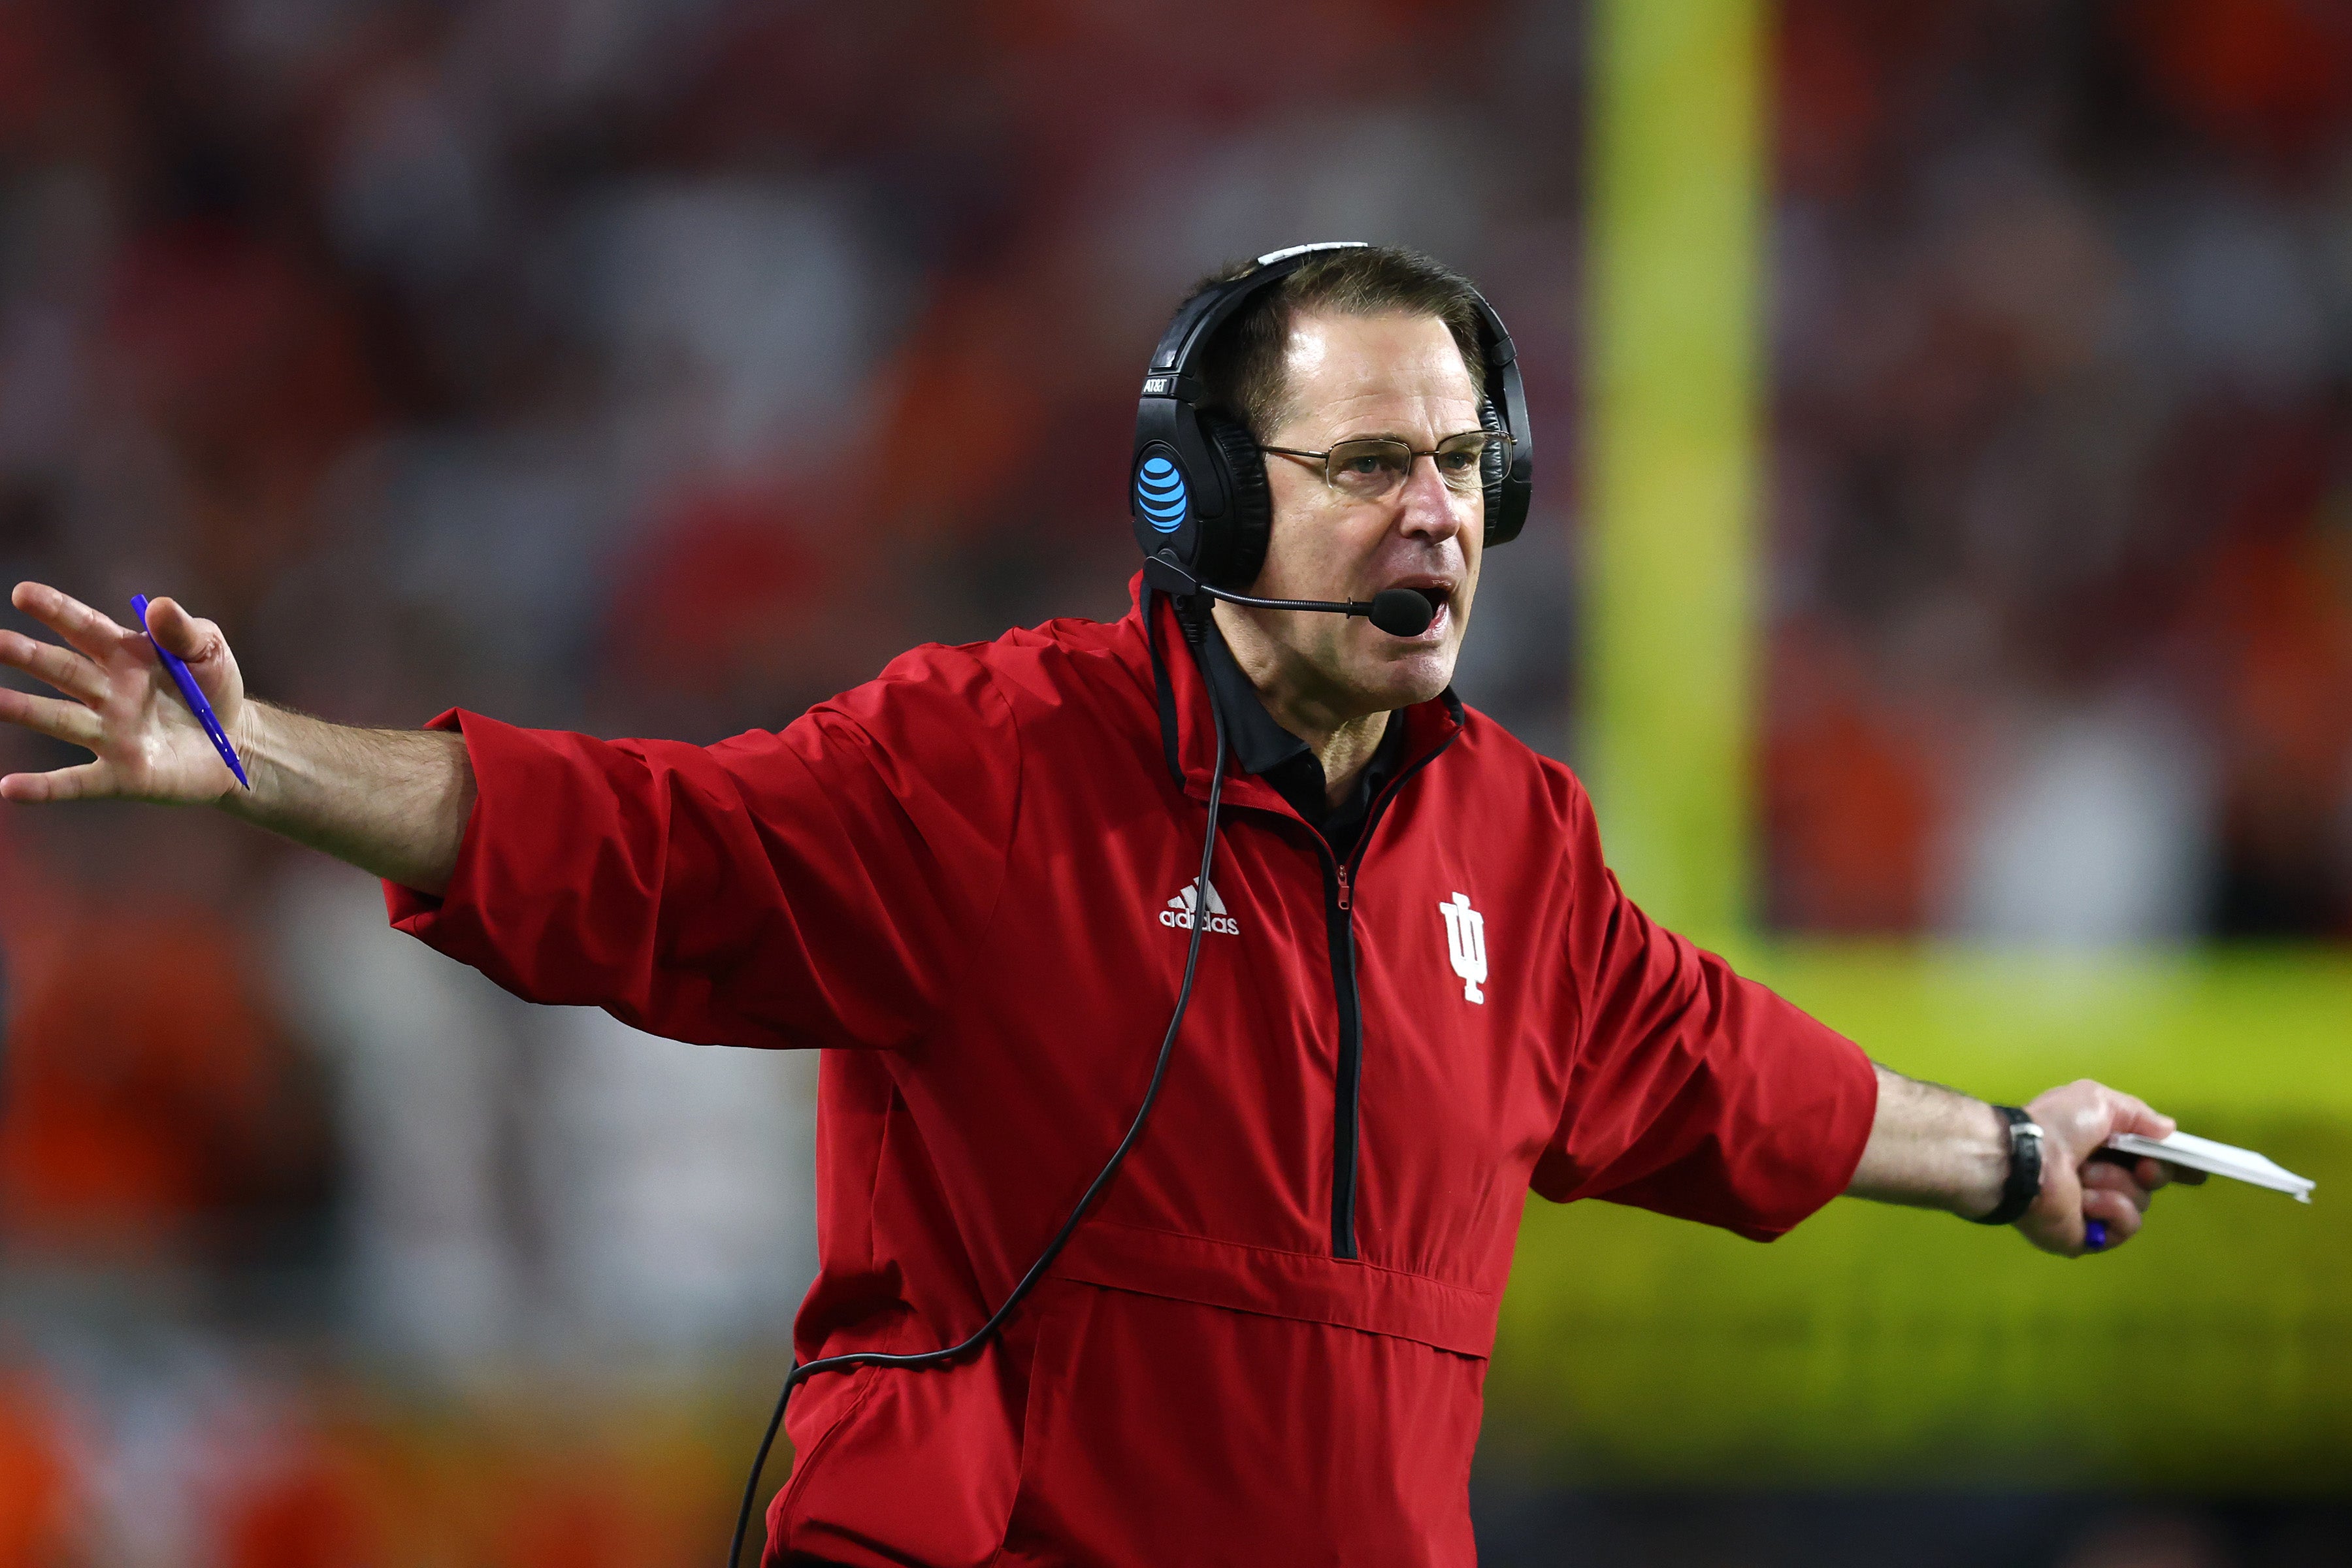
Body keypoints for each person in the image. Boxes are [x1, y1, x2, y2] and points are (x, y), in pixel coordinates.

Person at [0, 246, 2193, 1567]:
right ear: (1204, 501)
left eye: (1462, 468)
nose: (1434, 515)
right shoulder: (989, 761)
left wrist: (2013, 1157)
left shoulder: (1517, 848)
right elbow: (637, 843)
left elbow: (1733, 1078)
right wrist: (260, 755)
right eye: (1365, 468)